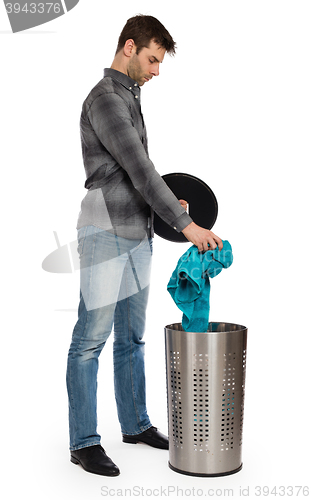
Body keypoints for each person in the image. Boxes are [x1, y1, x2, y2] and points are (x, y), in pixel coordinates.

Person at [66, 14, 223, 477]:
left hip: (138, 233)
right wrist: (186, 223)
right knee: (90, 340)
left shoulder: (129, 96)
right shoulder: (105, 99)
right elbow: (137, 167)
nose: (157, 71)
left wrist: (165, 204)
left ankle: (134, 424)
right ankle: (84, 442)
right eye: (153, 60)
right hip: (104, 232)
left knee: (131, 338)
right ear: (129, 47)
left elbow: (134, 173)